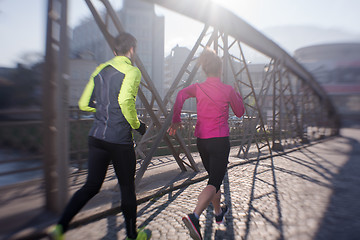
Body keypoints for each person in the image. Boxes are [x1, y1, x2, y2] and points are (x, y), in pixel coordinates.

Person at [50, 32, 150, 240]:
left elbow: (83, 104)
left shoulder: (99, 70)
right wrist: (138, 125)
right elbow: (125, 101)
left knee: (91, 186)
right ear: (132, 50)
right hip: (120, 141)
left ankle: (60, 228)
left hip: (96, 138)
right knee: (126, 187)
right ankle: (133, 235)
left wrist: (102, 109)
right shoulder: (132, 71)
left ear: (114, 51)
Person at [167, 48, 245, 240]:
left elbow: (180, 96)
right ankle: (194, 216)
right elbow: (240, 112)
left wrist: (176, 119)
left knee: (214, 179)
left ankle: (218, 214)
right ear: (220, 71)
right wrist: (236, 92)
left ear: (205, 70)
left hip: (202, 141)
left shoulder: (197, 87)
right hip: (219, 142)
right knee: (214, 181)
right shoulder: (227, 90)